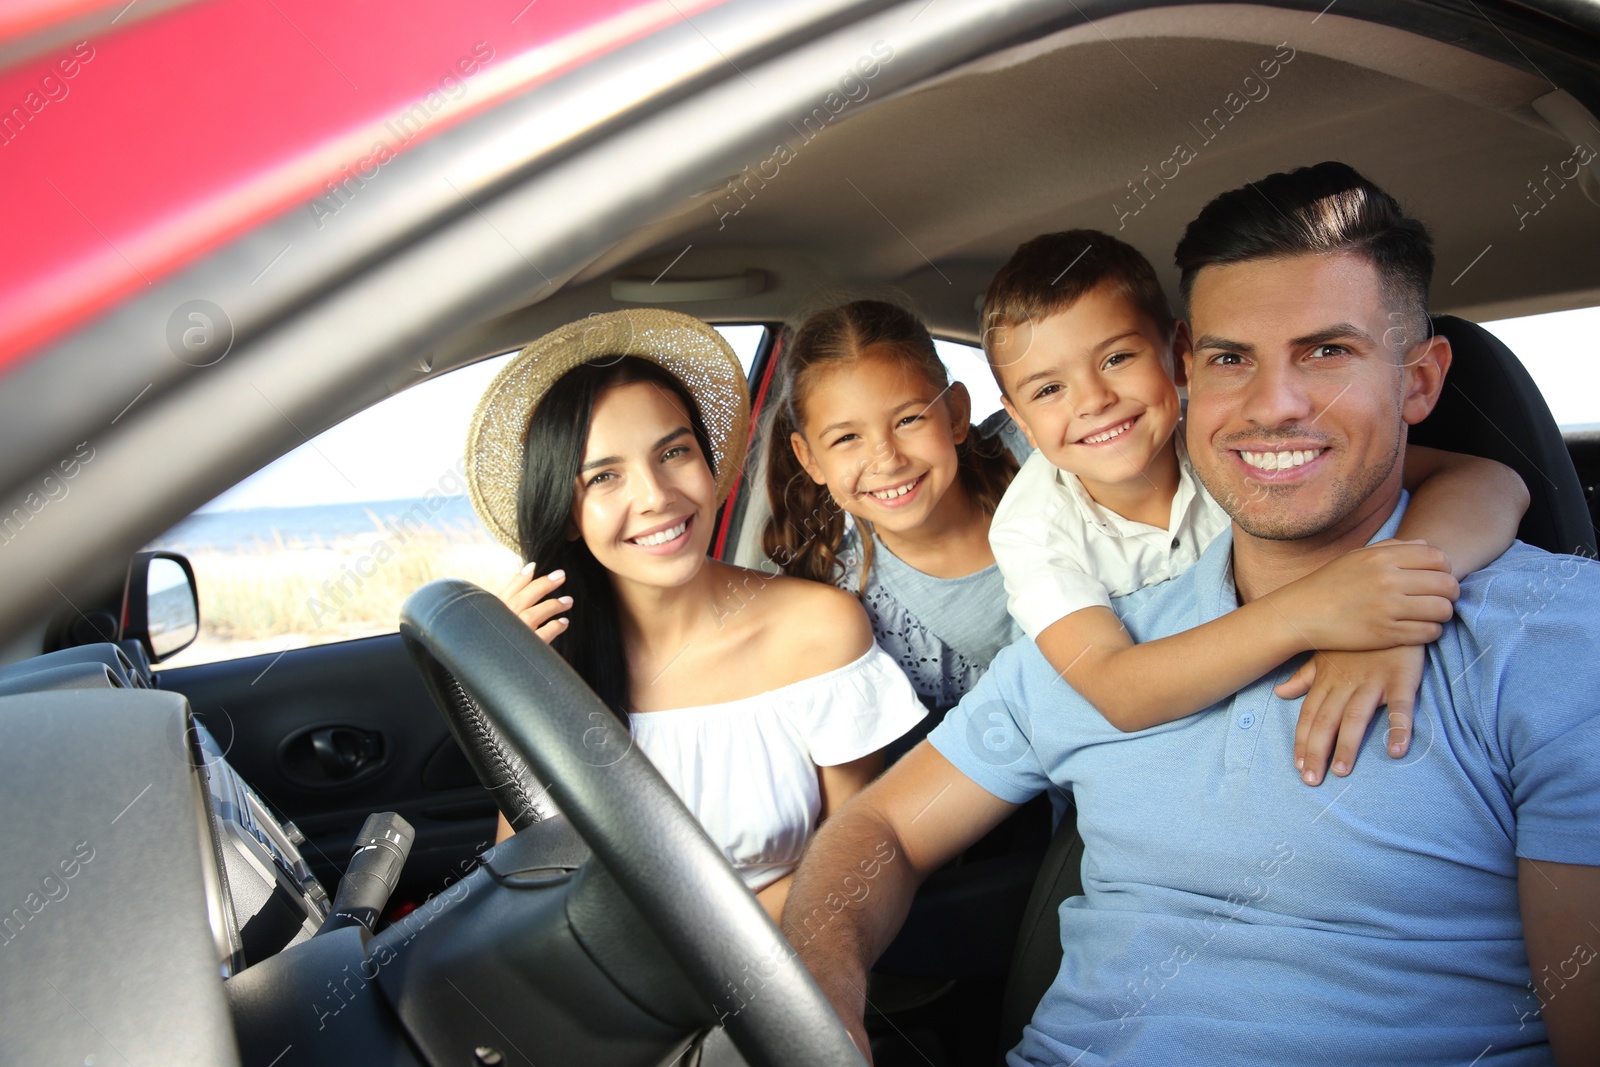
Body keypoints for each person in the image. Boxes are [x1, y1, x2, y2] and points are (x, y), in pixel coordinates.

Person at [782, 162, 1600, 1065]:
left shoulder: (1561, 643)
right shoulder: (1087, 633)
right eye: (1229, 358)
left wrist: (1397, 600)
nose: (1273, 405)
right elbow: (879, 828)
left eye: (1327, 351)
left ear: (1418, 381)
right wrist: (822, 1003)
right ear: (1190, 370)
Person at [983, 228, 1529, 784]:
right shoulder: (1031, 529)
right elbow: (1121, 692)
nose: (1093, 400)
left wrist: (1395, 605)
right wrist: (1317, 612)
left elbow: (1488, 480)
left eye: (1118, 358)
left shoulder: (1239, 439)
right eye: (1048, 390)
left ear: (1180, 357)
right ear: (1020, 419)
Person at [463, 309, 925, 921]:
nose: (655, 497)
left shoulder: (820, 630)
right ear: (567, 515)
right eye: (604, 477)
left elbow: (858, 865)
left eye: (673, 452)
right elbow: (529, 887)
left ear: (708, 466)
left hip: (783, 971)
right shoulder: (555, 662)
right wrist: (520, 691)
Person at [762, 299, 1026, 718]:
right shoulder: (857, 604)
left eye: (908, 420)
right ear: (809, 458)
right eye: (847, 438)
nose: (887, 460)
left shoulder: (1037, 451)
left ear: (955, 413)